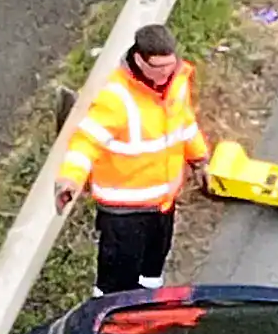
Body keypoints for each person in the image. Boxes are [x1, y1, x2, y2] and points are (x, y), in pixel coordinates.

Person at [55, 24, 208, 295]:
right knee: (116, 288)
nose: (165, 74)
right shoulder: (116, 98)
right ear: (139, 59)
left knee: (152, 276)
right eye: (158, 67)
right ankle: (115, 331)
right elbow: (85, 142)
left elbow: (184, 124)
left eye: (169, 66)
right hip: (124, 214)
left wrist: (198, 159)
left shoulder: (177, 83)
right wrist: (70, 179)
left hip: (162, 207)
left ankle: (148, 320)